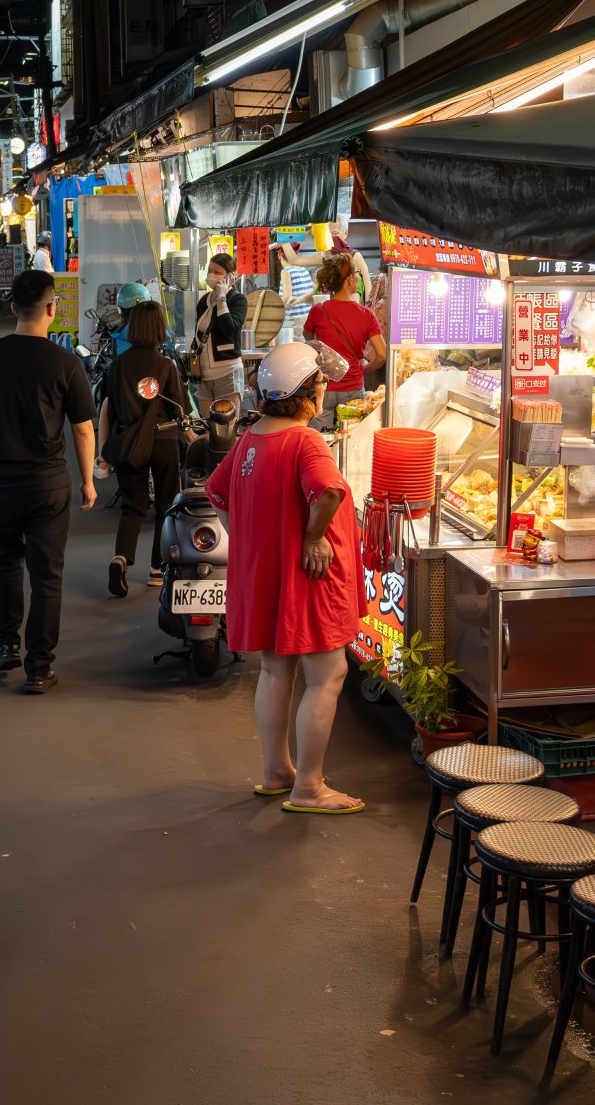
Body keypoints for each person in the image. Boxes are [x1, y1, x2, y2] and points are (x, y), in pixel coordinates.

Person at [204, 341, 363, 816]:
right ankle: (309, 787)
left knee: (275, 670)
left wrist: (247, 537)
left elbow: (217, 491)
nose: (322, 392)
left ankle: (278, 771)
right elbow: (329, 492)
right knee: (328, 676)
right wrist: (314, 540)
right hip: (306, 580)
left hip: (266, 577)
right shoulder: (305, 440)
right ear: (304, 393)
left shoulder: (252, 438)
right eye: (319, 385)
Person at [0, 269, 97, 693]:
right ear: (52, 309)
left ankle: (6, 645)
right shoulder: (67, 363)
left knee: (5, 560)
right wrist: (87, 481)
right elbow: (83, 430)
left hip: (1, 483)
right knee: (47, 576)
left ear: (13, 307)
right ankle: (39, 667)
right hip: (49, 484)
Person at [96, 300, 185, 596]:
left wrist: (102, 453)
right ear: (159, 327)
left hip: (128, 443)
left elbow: (109, 407)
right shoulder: (165, 366)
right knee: (164, 506)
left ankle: (121, 558)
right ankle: (157, 570)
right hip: (163, 441)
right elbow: (179, 410)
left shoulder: (118, 365)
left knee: (132, 507)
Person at [301, 256, 386, 417]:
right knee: (352, 437)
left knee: (322, 439)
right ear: (349, 279)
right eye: (355, 274)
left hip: (323, 388)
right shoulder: (366, 314)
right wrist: (364, 368)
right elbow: (382, 355)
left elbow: (308, 338)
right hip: (353, 389)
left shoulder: (318, 310)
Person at [193, 252, 248, 410]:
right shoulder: (204, 300)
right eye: (209, 270)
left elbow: (228, 329)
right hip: (203, 374)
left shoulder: (237, 300)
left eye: (217, 272)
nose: (211, 275)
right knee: (206, 425)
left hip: (227, 371)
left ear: (230, 277)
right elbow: (199, 333)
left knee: (226, 427)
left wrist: (222, 299)